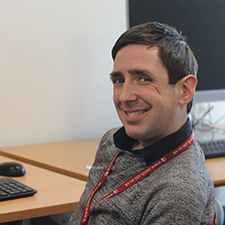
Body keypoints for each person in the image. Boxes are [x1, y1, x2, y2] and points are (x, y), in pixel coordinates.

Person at [68, 22, 215, 225]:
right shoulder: (112, 141)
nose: (125, 97)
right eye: (119, 80)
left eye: (144, 79)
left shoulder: (178, 191)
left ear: (185, 91)